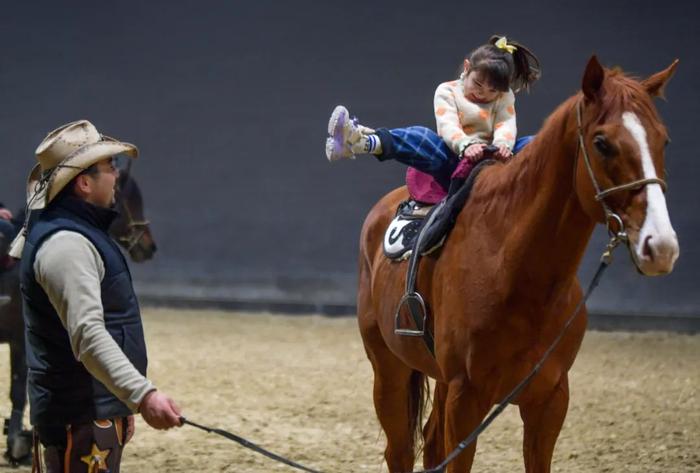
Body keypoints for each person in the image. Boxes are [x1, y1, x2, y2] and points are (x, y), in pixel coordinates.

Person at [9, 120, 182, 472]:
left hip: (92, 411)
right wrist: (142, 395)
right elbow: (88, 335)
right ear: (84, 183)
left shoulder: (79, 234)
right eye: (110, 167)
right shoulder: (67, 245)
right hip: (79, 415)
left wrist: (119, 402)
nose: (116, 175)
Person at [325, 36, 541, 199]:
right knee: (421, 136)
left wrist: (503, 145)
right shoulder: (447, 92)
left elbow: (506, 123)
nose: (483, 93)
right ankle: (362, 142)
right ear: (467, 68)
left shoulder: (504, 97)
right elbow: (448, 125)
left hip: (494, 157)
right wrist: (465, 145)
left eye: (492, 91)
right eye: (477, 84)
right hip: (455, 156)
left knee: (535, 144)